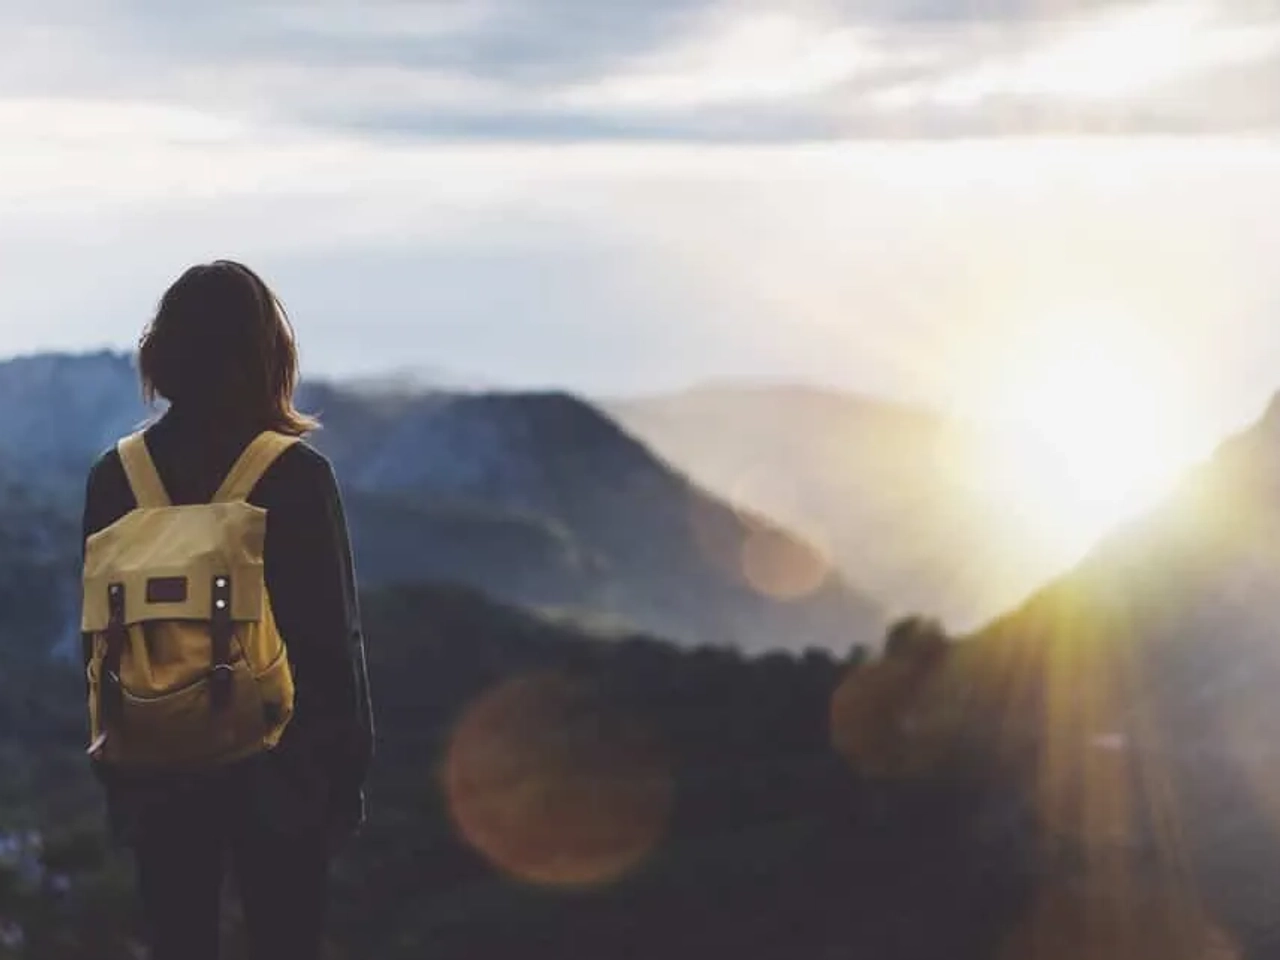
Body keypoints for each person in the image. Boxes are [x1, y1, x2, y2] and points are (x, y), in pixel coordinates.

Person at [80, 260, 374, 960]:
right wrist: (342, 781)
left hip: (156, 771)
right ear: (269, 354)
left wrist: (117, 775)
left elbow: (97, 641)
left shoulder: (115, 476)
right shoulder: (296, 474)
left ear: (162, 352)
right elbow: (331, 642)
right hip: (279, 773)